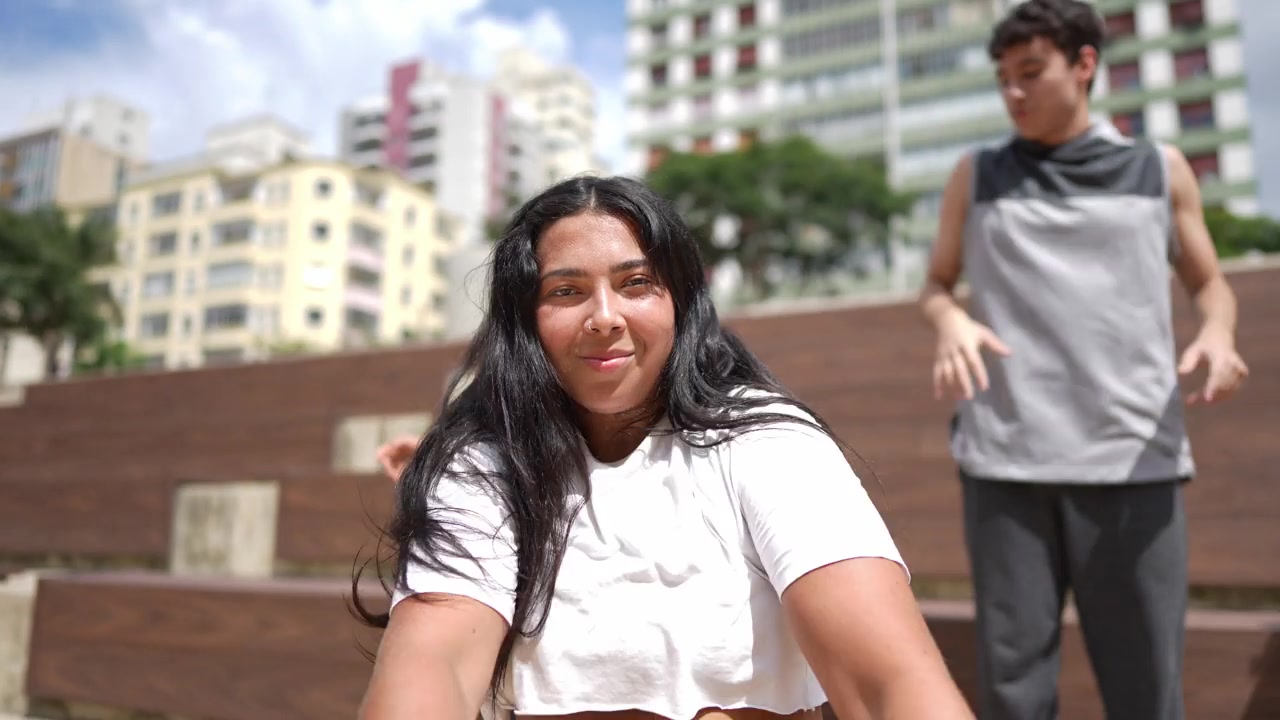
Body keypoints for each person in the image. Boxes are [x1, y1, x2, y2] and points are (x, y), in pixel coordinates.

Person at [355, 175, 973, 720]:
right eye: (566, 291)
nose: (605, 316)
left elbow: (888, 680)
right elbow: (435, 663)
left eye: (637, 284)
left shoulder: (767, 441)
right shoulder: (484, 465)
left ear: (680, 301)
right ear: (525, 320)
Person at [919, 1, 1249, 719]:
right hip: (1007, 463)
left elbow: (1211, 286)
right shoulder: (976, 174)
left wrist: (1219, 335)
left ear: (1084, 65)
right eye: (1003, 79)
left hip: (1132, 459)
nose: (1013, 92)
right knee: (1014, 694)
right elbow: (936, 284)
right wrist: (951, 321)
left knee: (1147, 694)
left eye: (1030, 72)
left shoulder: (1160, 169)